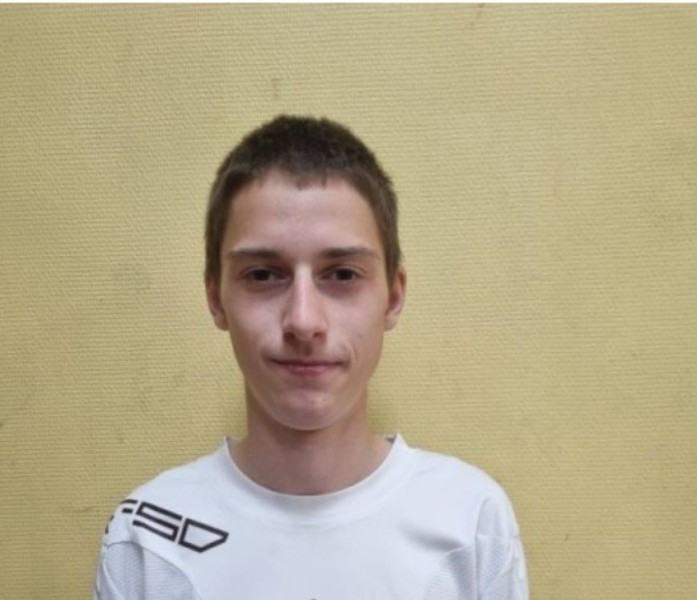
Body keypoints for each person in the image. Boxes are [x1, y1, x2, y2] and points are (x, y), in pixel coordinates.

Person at [94, 115, 529, 599]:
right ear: (216, 298)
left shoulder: (471, 520)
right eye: (263, 275)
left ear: (393, 296)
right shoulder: (149, 538)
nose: (303, 320)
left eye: (342, 274)